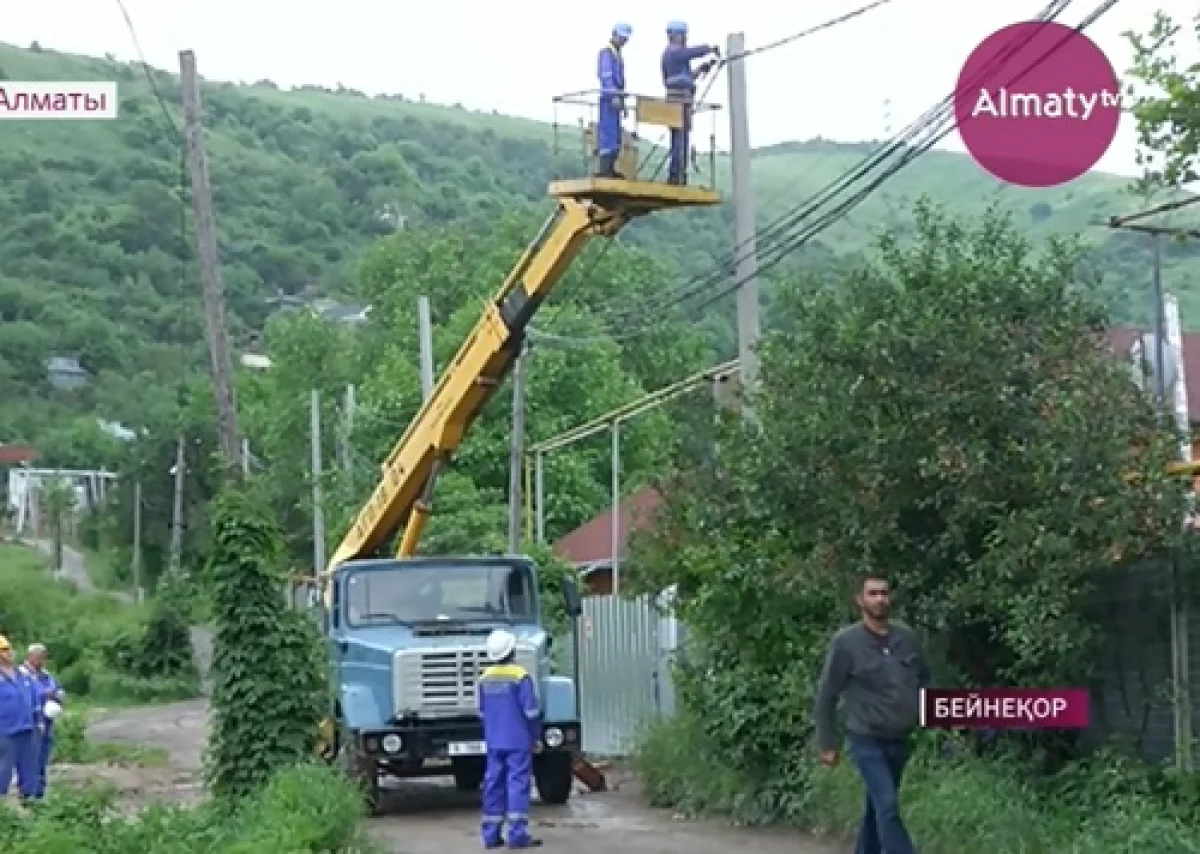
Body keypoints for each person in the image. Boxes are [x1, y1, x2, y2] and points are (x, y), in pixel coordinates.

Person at [813, 573, 929, 854]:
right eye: (873, 594)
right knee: (887, 805)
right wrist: (827, 743)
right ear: (860, 600)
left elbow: (925, 681)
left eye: (884, 593)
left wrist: (935, 718)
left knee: (876, 808)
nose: (879, 599)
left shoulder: (906, 638)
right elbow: (827, 694)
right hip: (866, 737)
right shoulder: (846, 643)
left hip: (900, 736)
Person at [477, 628, 542, 849]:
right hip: (517, 741)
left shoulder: (484, 678)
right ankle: (517, 834)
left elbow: (482, 712)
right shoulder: (520, 677)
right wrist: (535, 737)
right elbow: (531, 712)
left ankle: (491, 835)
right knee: (517, 784)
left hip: (494, 741)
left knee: (493, 784)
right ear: (512, 650)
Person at [661, 21, 720, 185]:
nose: (685, 38)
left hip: (682, 99)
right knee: (679, 139)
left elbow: (685, 77)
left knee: (682, 138)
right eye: (682, 34)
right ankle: (676, 175)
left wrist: (702, 68)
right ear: (674, 35)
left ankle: (680, 174)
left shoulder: (678, 58)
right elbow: (689, 53)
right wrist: (709, 48)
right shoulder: (672, 52)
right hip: (677, 100)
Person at [20, 642, 64, 799]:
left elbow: (59, 690)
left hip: (46, 723)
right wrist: (46, 695)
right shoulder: (21, 675)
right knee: (30, 760)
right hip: (29, 724)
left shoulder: (47, 675)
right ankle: (28, 795)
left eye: (43, 657)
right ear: (30, 657)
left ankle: (39, 795)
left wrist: (57, 696)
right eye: (38, 657)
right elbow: (25, 697)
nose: (41, 661)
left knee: (42, 759)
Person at [0, 634, 38, 803]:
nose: (9, 653)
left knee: (28, 767)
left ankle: (28, 800)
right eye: (4, 649)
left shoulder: (21, 675)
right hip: (5, 730)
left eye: (8, 648)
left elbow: (33, 696)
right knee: (4, 769)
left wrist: (38, 719)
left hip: (26, 727)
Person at [595, 23, 632, 178]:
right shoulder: (607, 52)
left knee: (616, 135)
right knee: (608, 134)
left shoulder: (617, 54)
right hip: (608, 100)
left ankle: (610, 168)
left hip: (616, 100)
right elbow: (607, 76)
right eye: (621, 37)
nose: (623, 41)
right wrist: (614, 95)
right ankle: (605, 169)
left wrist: (622, 101)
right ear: (614, 35)